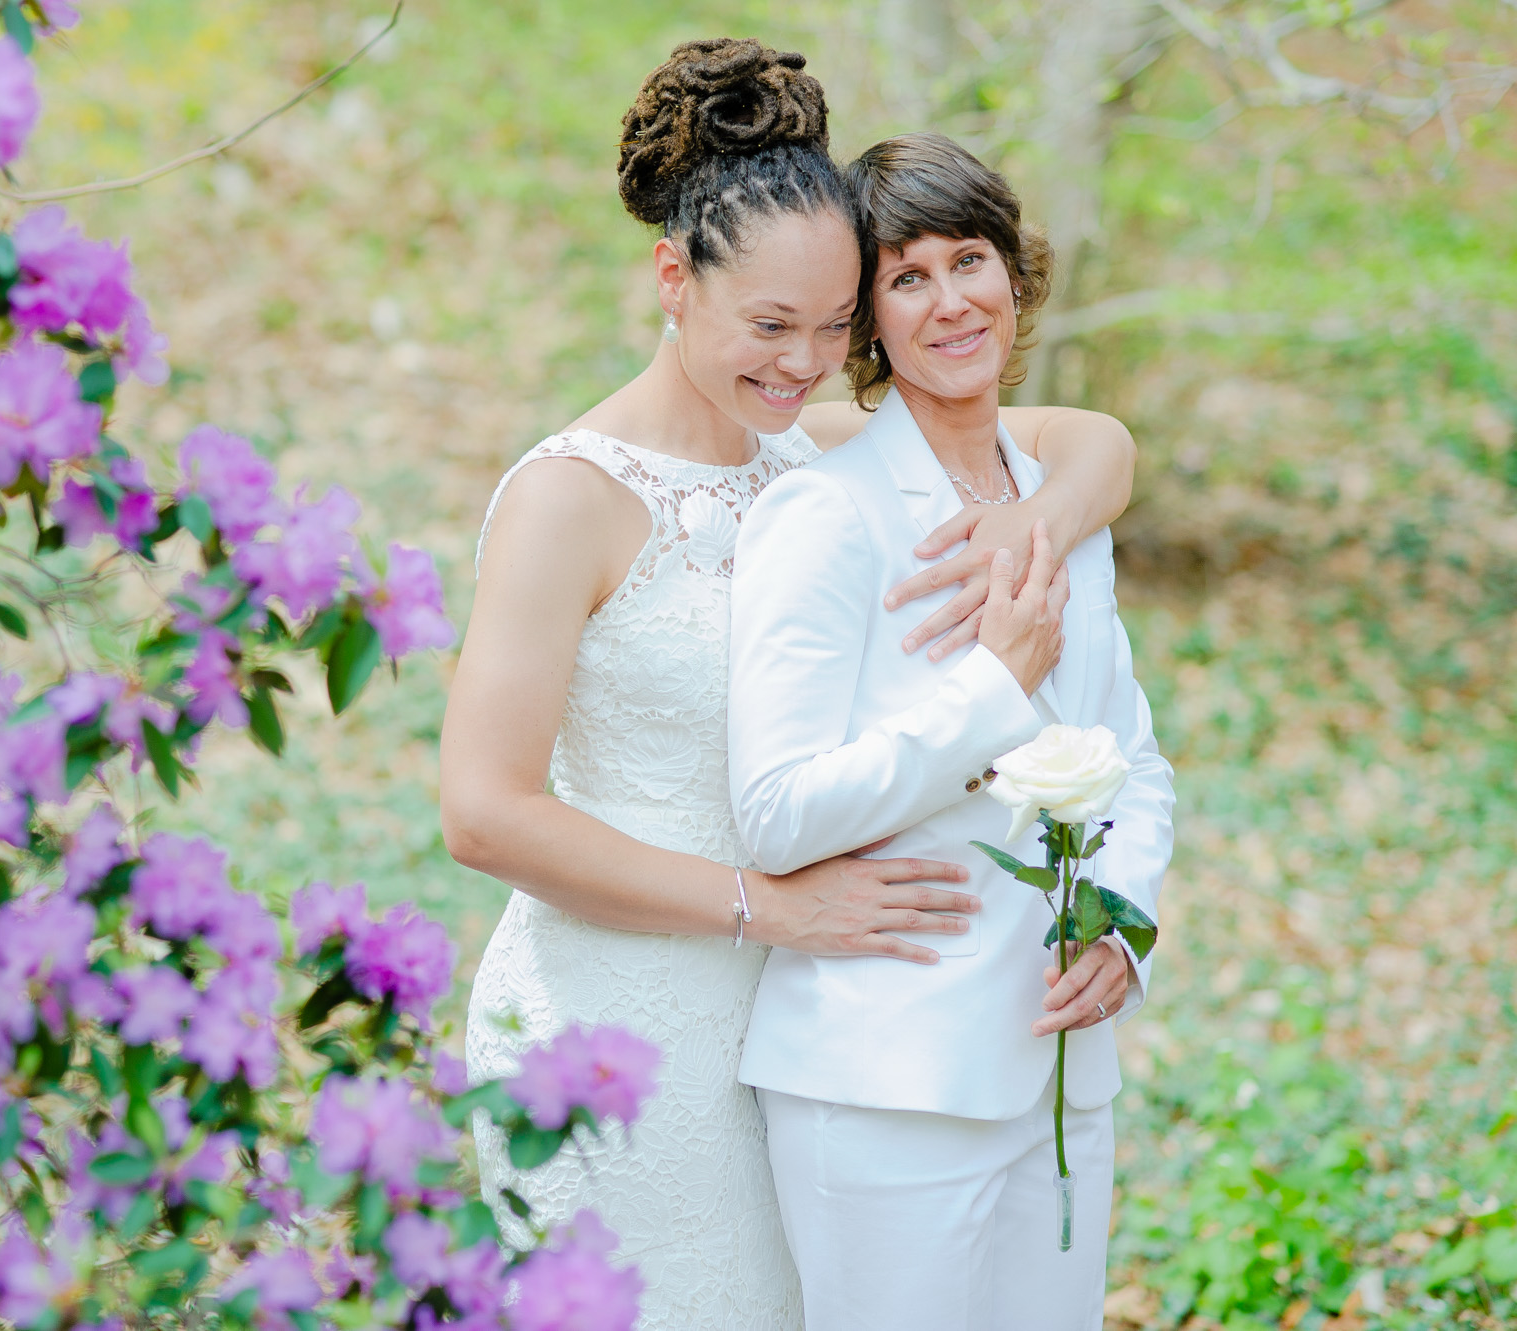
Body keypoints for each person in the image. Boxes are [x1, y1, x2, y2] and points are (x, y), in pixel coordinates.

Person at [440, 41, 1138, 1328]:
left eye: (830, 328)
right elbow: (483, 813)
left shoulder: (794, 446)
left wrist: (1030, 527)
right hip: (624, 1013)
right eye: (768, 325)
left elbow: (1091, 444)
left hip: (802, 1025)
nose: (803, 363)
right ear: (670, 278)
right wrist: (766, 906)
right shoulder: (568, 499)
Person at [726, 131, 1178, 1330]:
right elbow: (773, 810)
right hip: (882, 1075)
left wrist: (1121, 926)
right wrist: (989, 685)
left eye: (967, 259)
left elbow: (1128, 754)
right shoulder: (824, 516)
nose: (948, 301)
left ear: (1013, 276)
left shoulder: (1060, 505)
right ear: (868, 320)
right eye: (905, 276)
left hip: (1057, 1066)